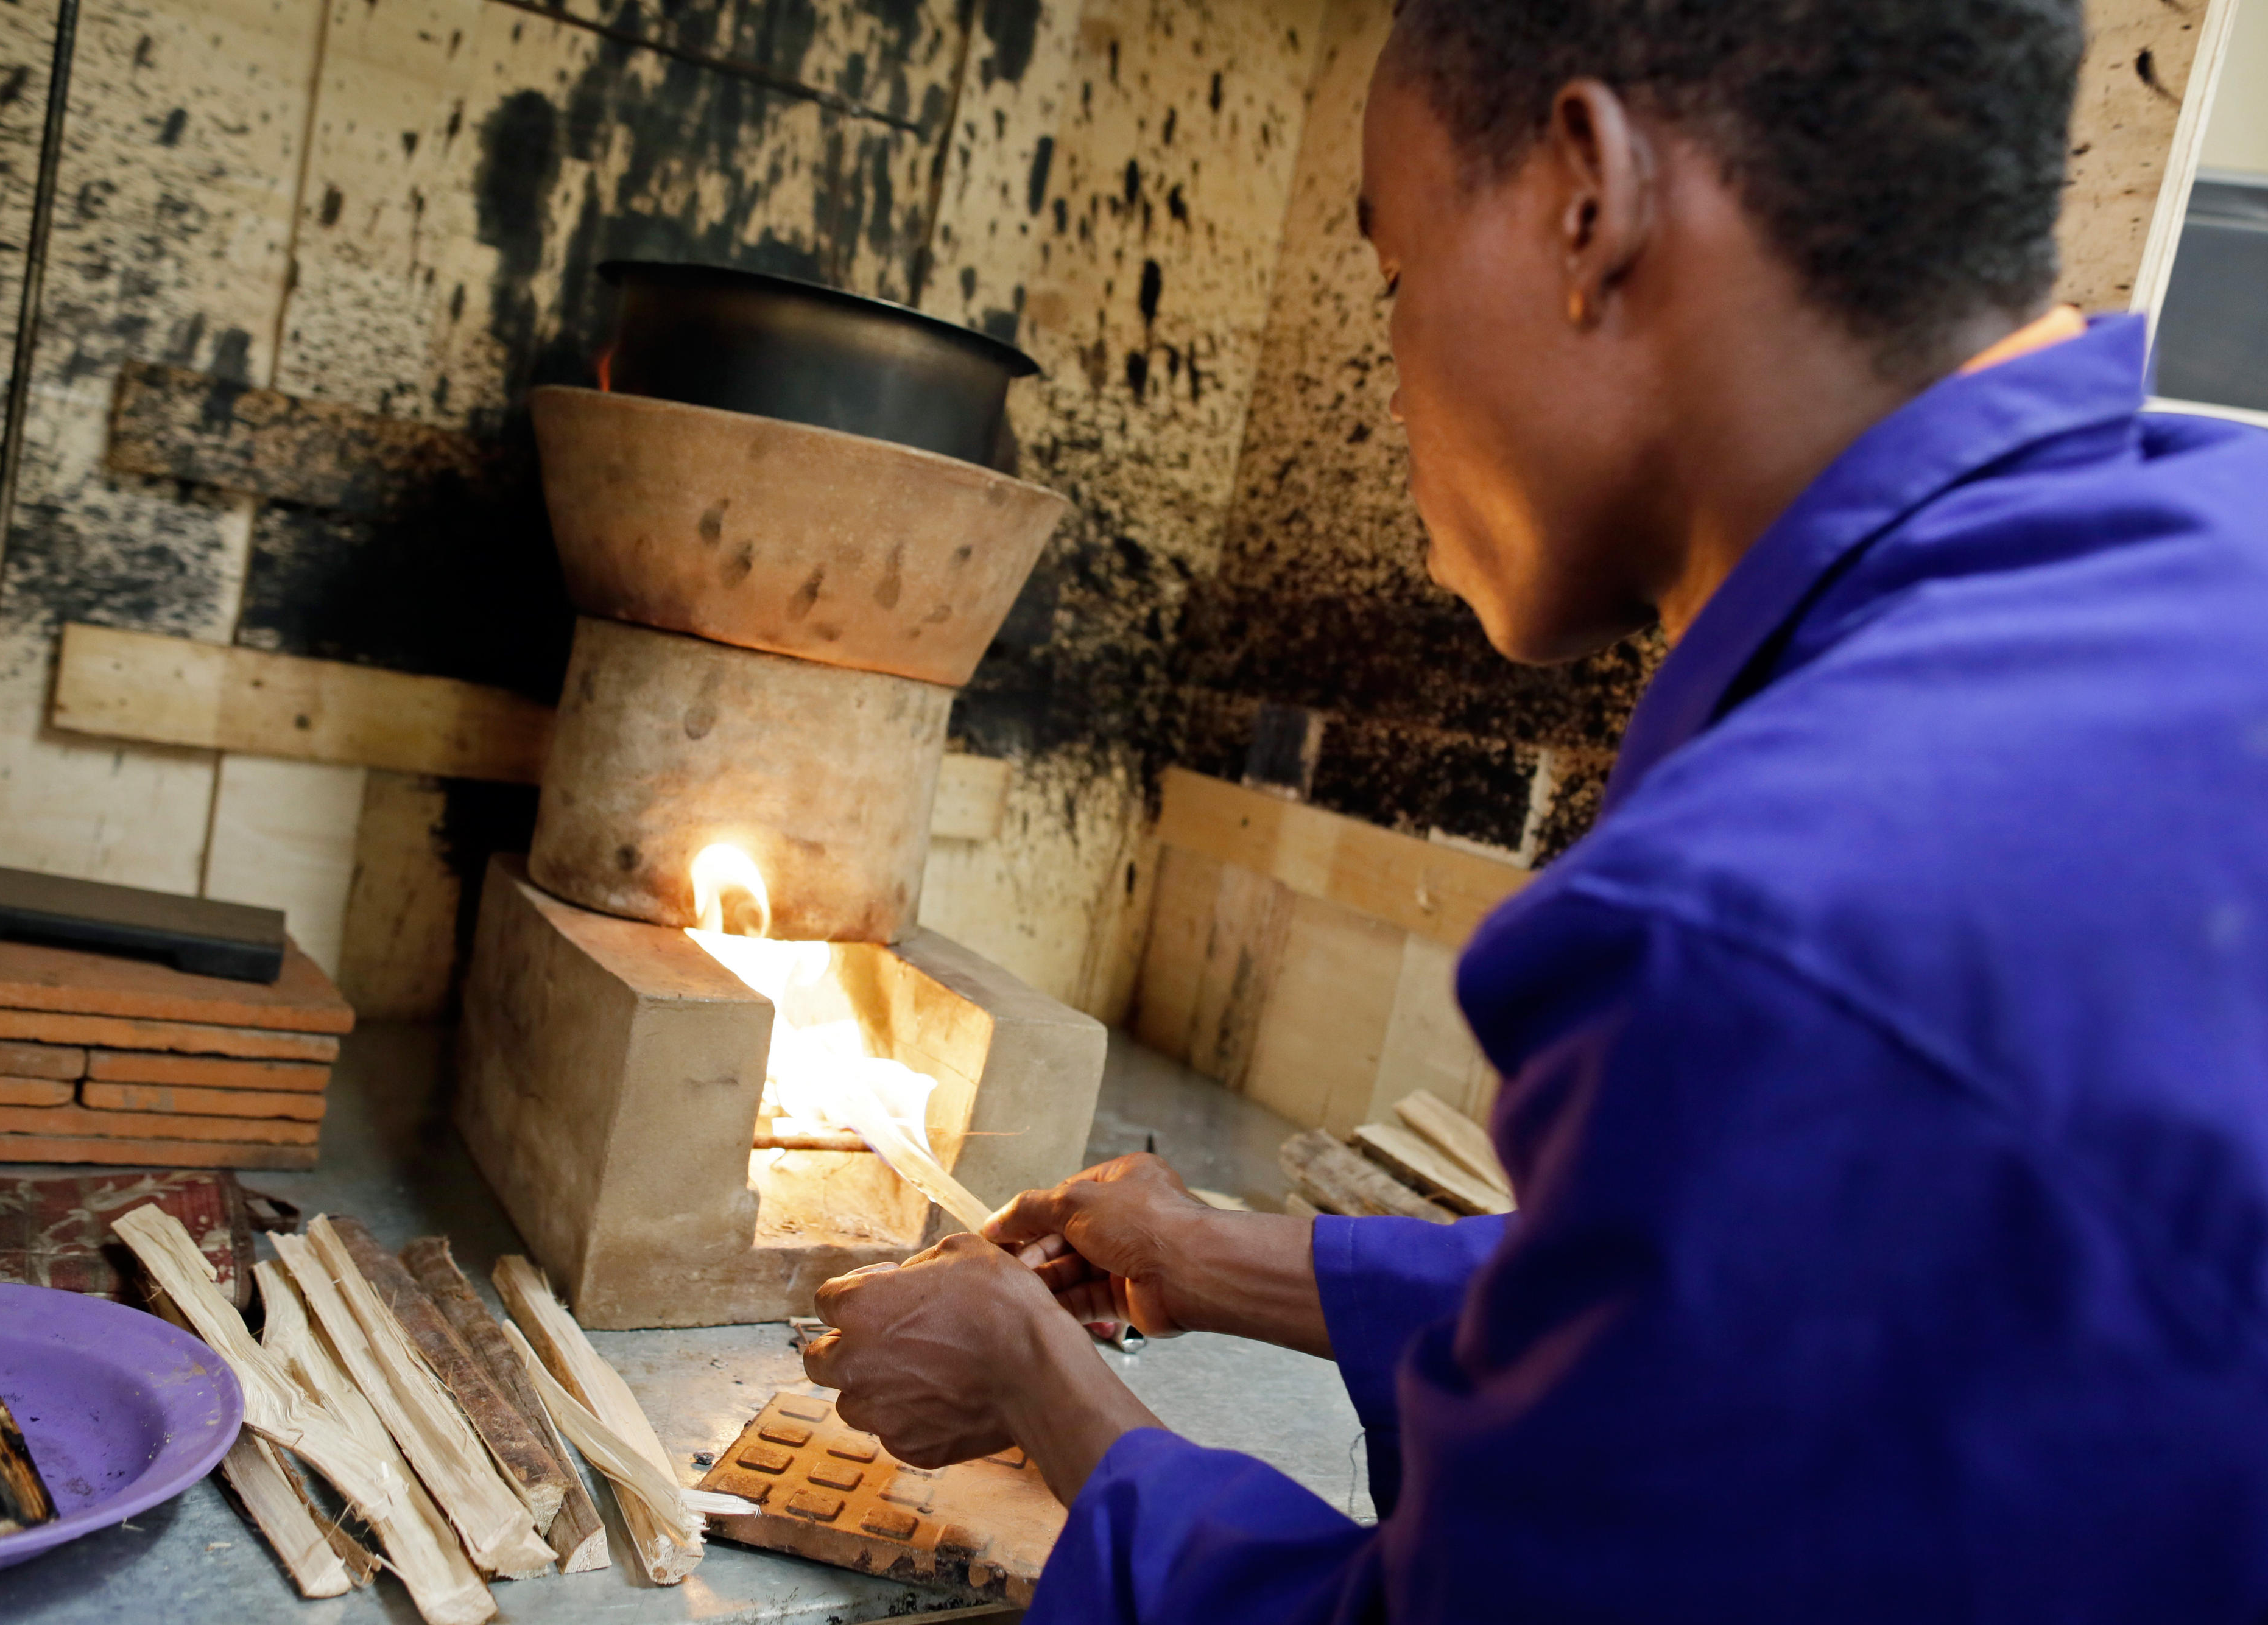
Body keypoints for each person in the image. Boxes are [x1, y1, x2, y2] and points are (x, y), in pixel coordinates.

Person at [801, 1, 2268, 1617]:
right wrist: (1217, 1258)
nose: (1394, 365)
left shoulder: (1765, 918)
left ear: (1590, 202)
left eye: (1395, 272)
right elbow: (1777, 1317)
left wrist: (1035, 1381)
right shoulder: (2213, 536)